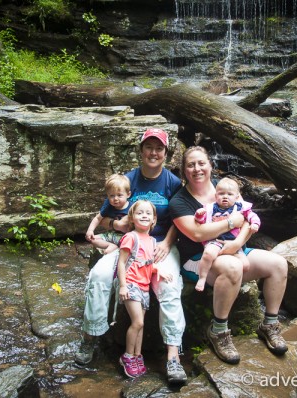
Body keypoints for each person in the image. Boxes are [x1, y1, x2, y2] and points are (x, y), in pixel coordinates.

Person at [75, 128, 188, 384]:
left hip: (159, 245)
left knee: (169, 286)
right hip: (129, 245)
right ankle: (90, 337)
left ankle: (173, 356)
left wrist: (167, 243)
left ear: (166, 153)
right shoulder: (128, 179)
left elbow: (178, 220)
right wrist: (117, 226)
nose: (153, 152)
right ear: (141, 151)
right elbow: (106, 219)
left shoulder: (172, 182)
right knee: (100, 276)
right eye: (148, 147)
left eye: (158, 148)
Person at [169, 146, 288, 364]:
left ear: (210, 165)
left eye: (201, 163)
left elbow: (246, 216)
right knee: (232, 268)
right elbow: (197, 234)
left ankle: (270, 324)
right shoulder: (179, 201)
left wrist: (237, 243)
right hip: (198, 259)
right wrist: (231, 222)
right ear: (184, 171)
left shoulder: (224, 187)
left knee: (278, 264)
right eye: (191, 165)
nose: (197, 169)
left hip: (234, 249)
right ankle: (218, 331)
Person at [116, 200, 173, 378]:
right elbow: (122, 262)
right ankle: (126, 356)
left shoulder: (152, 240)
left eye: (148, 213)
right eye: (140, 213)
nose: (144, 216)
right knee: (138, 322)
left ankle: (137, 355)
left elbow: (148, 263)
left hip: (144, 287)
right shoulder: (131, 237)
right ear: (132, 218)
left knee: (141, 325)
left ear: (154, 219)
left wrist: (159, 270)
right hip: (131, 284)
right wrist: (123, 285)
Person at [193, 177, 260, 292]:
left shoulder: (240, 207)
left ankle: (233, 278)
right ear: (215, 196)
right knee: (208, 254)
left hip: (233, 242)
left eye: (229, 194)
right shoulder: (211, 208)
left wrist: (255, 224)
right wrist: (199, 215)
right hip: (216, 240)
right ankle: (202, 278)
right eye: (221, 194)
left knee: (245, 265)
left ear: (236, 197)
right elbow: (201, 222)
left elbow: (252, 216)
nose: (225, 196)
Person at [85, 174, 131, 254]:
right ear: (108, 196)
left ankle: (120, 248)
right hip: (111, 235)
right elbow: (97, 218)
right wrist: (90, 230)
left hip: (125, 237)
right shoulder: (108, 207)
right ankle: (111, 246)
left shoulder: (132, 208)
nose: (115, 199)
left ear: (128, 194)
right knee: (92, 239)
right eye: (112, 196)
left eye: (119, 195)